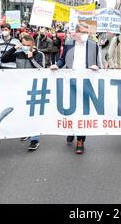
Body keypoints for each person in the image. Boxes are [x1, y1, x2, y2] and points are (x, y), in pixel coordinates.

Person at [50, 23, 102, 154]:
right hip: (70, 82)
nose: (85, 35)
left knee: (83, 110)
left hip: (86, 83)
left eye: (87, 32)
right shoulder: (68, 44)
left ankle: (80, 140)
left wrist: (96, 67)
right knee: (70, 108)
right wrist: (57, 65)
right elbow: (62, 60)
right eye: (83, 32)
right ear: (77, 33)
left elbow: (98, 63)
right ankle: (71, 130)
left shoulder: (93, 46)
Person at [1, 33, 46, 151]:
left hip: (34, 88)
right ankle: (26, 131)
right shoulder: (18, 54)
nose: (26, 47)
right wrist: (14, 48)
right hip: (20, 86)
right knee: (23, 111)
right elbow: (3, 59)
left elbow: (41, 70)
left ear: (33, 45)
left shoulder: (39, 54)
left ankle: (34, 139)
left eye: (28, 45)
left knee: (33, 113)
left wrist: (31, 57)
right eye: (23, 45)